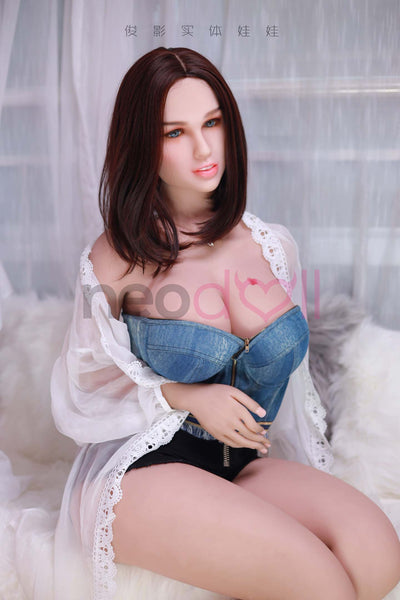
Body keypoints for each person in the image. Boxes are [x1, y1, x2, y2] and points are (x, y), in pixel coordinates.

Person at [51, 47, 400, 600]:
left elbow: (295, 392)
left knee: (377, 556)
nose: (203, 148)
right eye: (175, 132)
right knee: (323, 585)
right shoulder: (115, 260)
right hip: (144, 473)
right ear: (141, 145)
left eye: (212, 123)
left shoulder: (271, 245)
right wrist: (183, 394)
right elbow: (80, 390)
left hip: (240, 463)